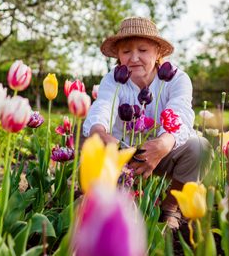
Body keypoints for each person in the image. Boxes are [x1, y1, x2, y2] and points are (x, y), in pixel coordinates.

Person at [83, 17, 210, 229]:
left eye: (142, 50)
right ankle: (124, 212)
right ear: (118, 56)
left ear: (158, 52)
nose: (134, 58)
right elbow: (102, 106)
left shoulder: (177, 79)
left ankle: (170, 208)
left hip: (166, 150)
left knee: (200, 147)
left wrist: (163, 143)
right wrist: (99, 132)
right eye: (126, 52)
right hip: (125, 152)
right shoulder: (112, 80)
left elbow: (180, 113)